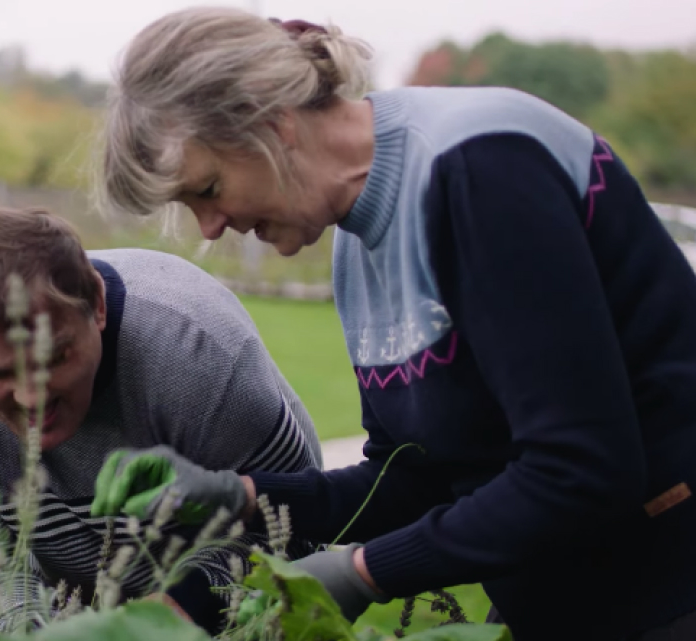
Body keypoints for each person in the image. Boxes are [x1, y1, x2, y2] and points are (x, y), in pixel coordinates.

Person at [91, 7, 696, 641]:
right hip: (568, 602)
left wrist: (364, 573)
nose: (210, 227)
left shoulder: (480, 170)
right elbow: (414, 476)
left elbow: (583, 468)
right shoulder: (357, 243)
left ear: (269, 123)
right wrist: (238, 495)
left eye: (208, 189)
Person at [0, 206, 322, 634]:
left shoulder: (197, 357)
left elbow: (290, 527)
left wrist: (163, 617)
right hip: (81, 590)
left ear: (97, 305)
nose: (31, 398)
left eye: (53, 358)